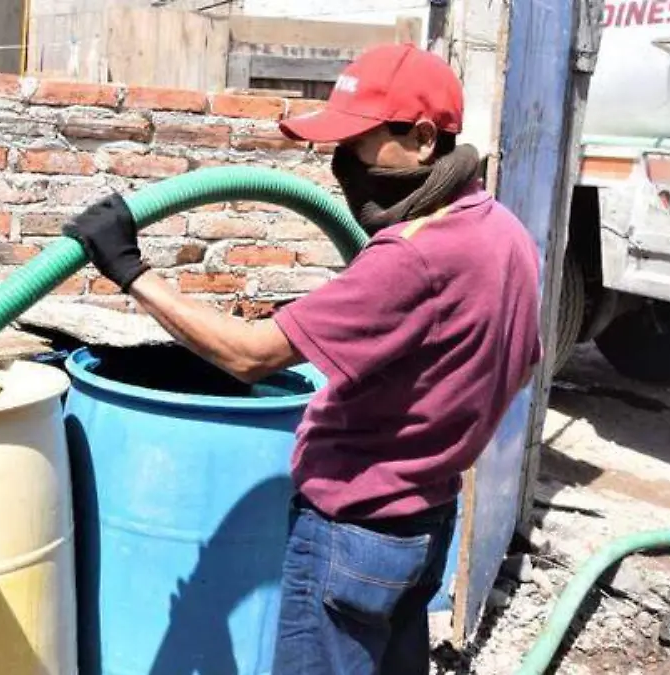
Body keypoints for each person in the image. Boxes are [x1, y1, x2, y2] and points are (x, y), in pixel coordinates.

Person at [62, 42, 542, 674]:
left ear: (424, 139)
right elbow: (519, 361)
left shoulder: (411, 255)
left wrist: (129, 269)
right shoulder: (505, 233)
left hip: (353, 533)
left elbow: (248, 356)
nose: (344, 163)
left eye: (359, 142)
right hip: (425, 523)